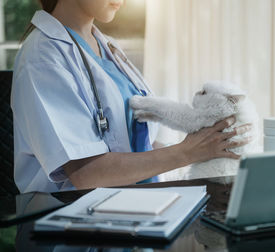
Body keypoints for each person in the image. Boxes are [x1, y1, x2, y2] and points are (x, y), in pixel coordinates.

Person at [11, 0, 251, 193]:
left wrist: (212, 148)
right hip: (77, 228)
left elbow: (136, 139)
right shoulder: (43, 56)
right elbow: (86, 173)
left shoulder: (108, 47)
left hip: (137, 210)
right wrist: (188, 152)